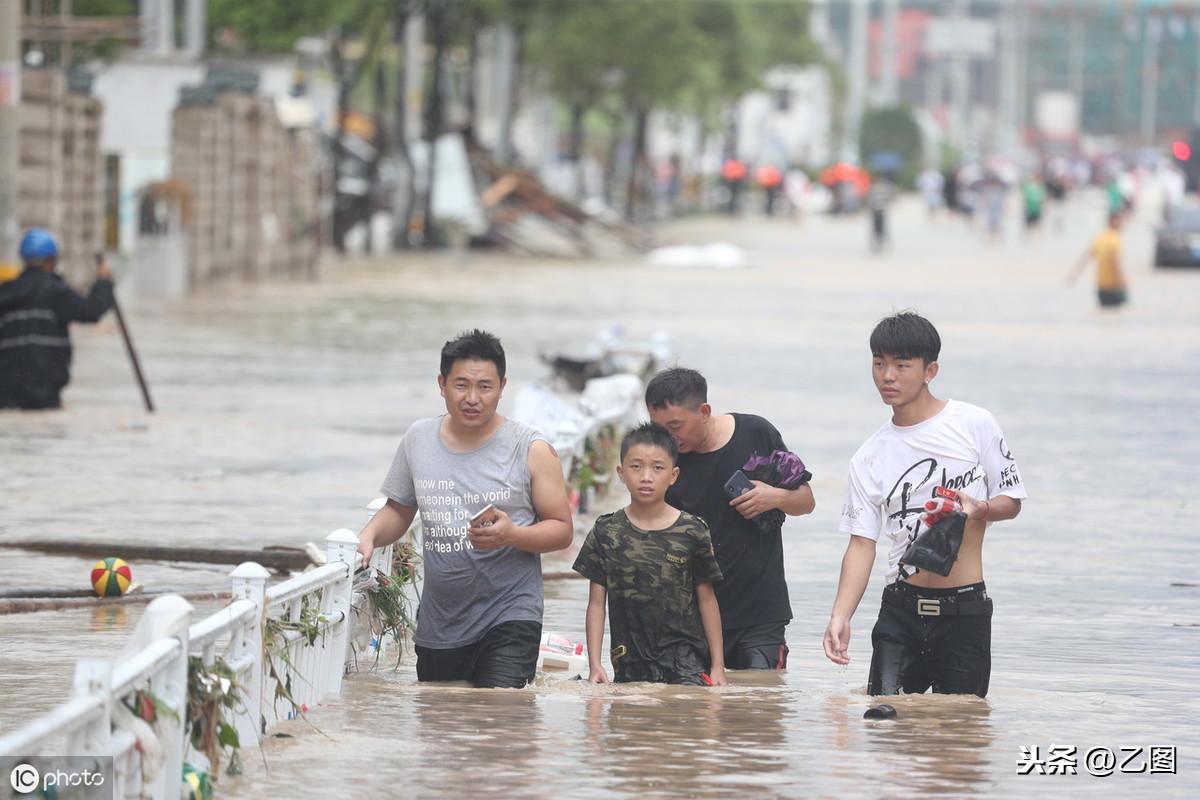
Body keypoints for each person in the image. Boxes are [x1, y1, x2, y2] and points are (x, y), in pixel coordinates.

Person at [823, 313, 1027, 698]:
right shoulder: (869, 456)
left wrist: (980, 509)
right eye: (879, 363)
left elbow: (1012, 501)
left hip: (965, 610)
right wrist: (840, 615)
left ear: (930, 370)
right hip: (900, 610)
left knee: (959, 735)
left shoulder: (974, 423)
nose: (888, 376)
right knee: (883, 727)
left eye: (902, 365)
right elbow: (862, 543)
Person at [356, 329, 573, 688]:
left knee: (500, 717)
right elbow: (399, 510)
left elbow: (561, 529)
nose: (472, 398)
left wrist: (512, 535)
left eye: (485, 387)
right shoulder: (418, 439)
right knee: (444, 726)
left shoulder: (531, 449)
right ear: (441, 384)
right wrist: (368, 536)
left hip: (511, 612)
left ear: (503, 386)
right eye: (461, 385)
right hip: (441, 623)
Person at [646, 368, 815, 671]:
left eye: (675, 426)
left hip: (759, 615)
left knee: (757, 702)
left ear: (704, 411)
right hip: (690, 617)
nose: (669, 438)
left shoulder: (756, 434)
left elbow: (806, 501)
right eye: (660, 429)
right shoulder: (663, 459)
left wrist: (775, 497)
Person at [572, 422, 726, 686]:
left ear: (674, 475)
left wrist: (718, 666)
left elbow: (707, 600)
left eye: (657, 468)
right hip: (629, 662)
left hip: (686, 662)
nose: (646, 477)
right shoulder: (606, 530)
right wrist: (595, 664)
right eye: (636, 467)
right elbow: (596, 604)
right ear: (621, 472)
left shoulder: (692, 530)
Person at [0, 229, 114, 410]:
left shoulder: (6, 292)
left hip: (7, 393)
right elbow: (92, 310)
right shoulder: (57, 293)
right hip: (46, 394)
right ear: (52, 260)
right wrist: (104, 281)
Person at [1067, 212, 1128, 309]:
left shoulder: (1099, 238)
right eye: (1121, 221)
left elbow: (1085, 258)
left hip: (1100, 288)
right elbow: (1116, 263)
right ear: (1113, 221)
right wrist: (1124, 282)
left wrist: (1073, 274)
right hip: (1114, 287)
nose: (1123, 224)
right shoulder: (1115, 240)